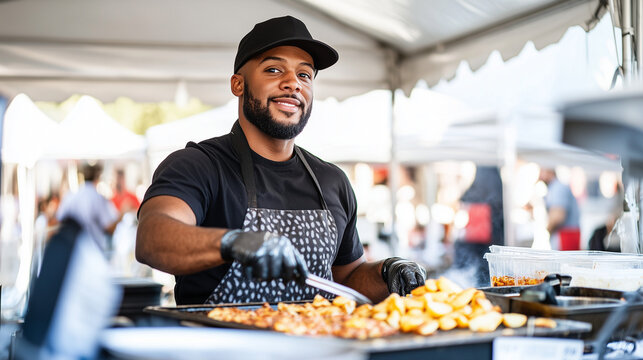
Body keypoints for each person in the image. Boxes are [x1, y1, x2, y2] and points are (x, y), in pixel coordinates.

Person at [136, 15, 426, 305]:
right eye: (274, 70)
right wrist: (234, 242)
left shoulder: (332, 181)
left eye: (304, 75)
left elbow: (345, 279)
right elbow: (152, 238)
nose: (293, 84)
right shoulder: (198, 165)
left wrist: (385, 272)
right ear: (238, 84)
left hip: (318, 345)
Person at [453, 166, 504, 287]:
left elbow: (472, 196)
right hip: (491, 238)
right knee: (484, 274)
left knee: (481, 273)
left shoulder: (485, 172)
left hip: (482, 238)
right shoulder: (495, 180)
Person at [57, 163, 123, 254]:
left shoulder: (70, 196)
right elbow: (109, 227)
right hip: (93, 252)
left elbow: (59, 221)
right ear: (98, 177)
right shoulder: (97, 197)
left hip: (70, 251)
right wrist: (122, 215)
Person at [539, 168, 580, 250]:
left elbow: (557, 217)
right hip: (566, 236)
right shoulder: (555, 187)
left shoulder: (557, 188)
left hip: (565, 237)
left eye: (541, 171)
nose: (539, 175)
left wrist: (545, 232)